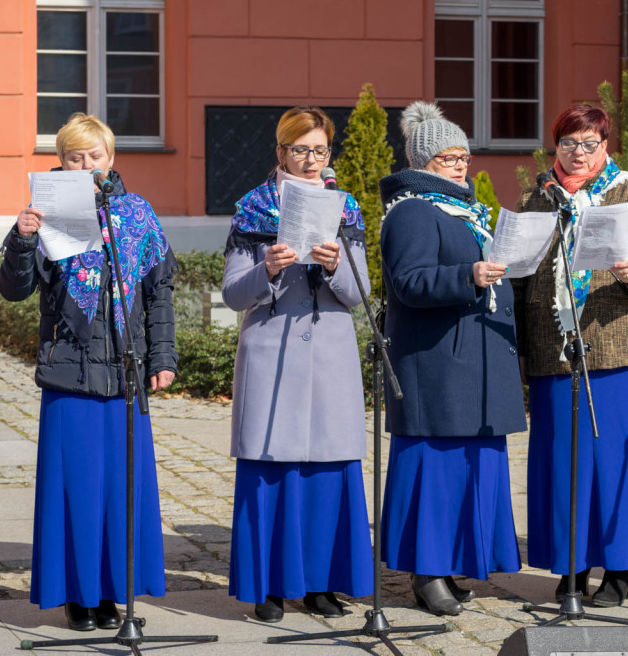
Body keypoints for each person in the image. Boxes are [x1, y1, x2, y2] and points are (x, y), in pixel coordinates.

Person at [0, 113, 177, 631]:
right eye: (75, 157)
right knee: (75, 488)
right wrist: (23, 239)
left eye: (94, 155)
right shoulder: (48, 214)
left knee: (120, 492)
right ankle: (78, 595)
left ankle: (112, 594)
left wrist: (163, 359)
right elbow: (16, 289)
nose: (87, 164)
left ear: (110, 159)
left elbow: (158, 295)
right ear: (62, 162)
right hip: (68, 374)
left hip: (124, 374)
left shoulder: (139, 214)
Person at [512, 104, 628, 607]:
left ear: (606, 146)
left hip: (616, 348)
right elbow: (519, 279)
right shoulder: (537, 200)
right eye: (568, 144)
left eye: (589, 143)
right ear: (555, 147)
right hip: (552, 350)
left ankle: (619, 570)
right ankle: (570, 568)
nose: (579, 153)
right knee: (562, 465)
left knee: (614, 464)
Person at [223, 106, 373, 622]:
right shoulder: (253, 208)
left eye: (321, 150)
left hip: (330, 355)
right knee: (272, 469)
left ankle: (321, 585)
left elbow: (360, 294)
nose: (312, 160)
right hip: (272, 353)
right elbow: (232, 293)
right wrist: (265, 268)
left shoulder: (344, 206)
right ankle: (267, 586)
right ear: (281, 153)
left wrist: (336, 266)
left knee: (328, 471)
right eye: (301, 150)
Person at [377, 102, 527, 616]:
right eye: (447, 157)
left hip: (475, 360)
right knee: (436, 474)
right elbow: (409, 281)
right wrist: (468, 276)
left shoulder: (468, 209)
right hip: (437, 364)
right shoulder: (414, 210)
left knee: (470, 472)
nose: (460, 165)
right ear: (423, 161)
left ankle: (456, 563)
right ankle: (426, 572)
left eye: (464, 156)